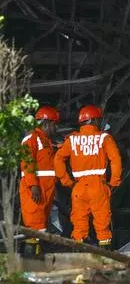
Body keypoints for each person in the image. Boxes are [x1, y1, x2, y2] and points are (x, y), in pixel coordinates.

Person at [54, 105, 122, 250]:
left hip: (78, 188)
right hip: (98, 186)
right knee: (102, 226)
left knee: (79, 225)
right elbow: (115, 159)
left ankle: (79, 263)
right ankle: (105, 262)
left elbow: (58, 159)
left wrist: (67, 181)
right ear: (94, 121)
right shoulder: (104, 137)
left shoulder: (72, 140)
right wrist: (113, 182)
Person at [20, 106, 60, 256]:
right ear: (46, 124)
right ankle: (31, 263)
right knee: (34, 227)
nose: (56, 128)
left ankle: (35, 262)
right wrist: (33, 185)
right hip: (36, 189)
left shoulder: (46, 140)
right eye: (54, 124)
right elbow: (26, 161)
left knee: (40, 227)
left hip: (45, 189)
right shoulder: (31, 138)